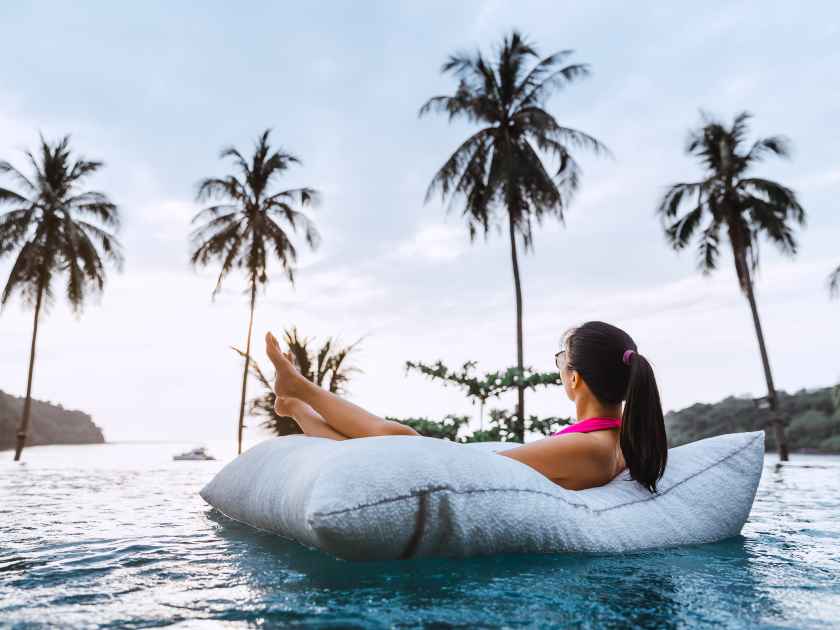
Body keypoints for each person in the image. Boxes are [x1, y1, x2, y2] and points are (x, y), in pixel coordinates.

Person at [265, 320, 668, 493]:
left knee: (403, 440)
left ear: (575, 379)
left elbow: (487, 468)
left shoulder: (593, 448)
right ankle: (300, 407)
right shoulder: (611, 438)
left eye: (560, 359)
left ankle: (300, 389)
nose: (559, 367)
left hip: (469, 482)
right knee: (400, 442)